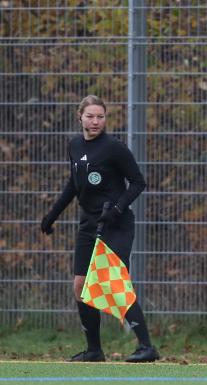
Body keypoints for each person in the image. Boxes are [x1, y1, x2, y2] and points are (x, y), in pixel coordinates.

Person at [40, 95, 159, 362]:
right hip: (88, 224)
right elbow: (74, 184)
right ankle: (94, 350)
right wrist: (52, 214)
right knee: (80, 285)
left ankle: (147, 347)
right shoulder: (74, 146)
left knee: (112, 282)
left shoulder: (114, 148)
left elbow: (138, 183)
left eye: (100, 117)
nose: (95, 121)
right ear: (80, 117)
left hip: (115, 223)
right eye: (90, 116)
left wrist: (116, 209)